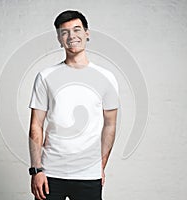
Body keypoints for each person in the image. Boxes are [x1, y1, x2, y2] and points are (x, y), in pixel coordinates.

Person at [28, 10, 119, 200]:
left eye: (77, 29)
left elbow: (110, 125)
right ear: (59, 39)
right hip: (50, 173)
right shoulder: (45, 76)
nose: (71, 36)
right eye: (64, 32)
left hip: (89, 174)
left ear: (87, 33)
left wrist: (100, 166)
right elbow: (36, 125)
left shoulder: (106, 78)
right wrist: (36, 170)